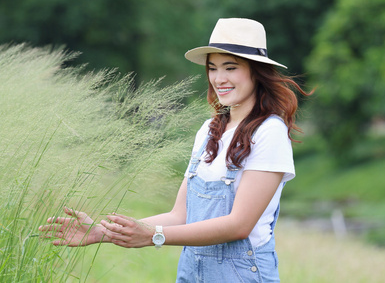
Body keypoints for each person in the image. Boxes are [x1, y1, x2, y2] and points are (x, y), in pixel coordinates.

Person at [39, 18, 313, 282]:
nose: (219, 78)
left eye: (230, 68)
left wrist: (153, 236)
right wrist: (101, 232)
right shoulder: (209, 130)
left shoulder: (269, 132)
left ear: (256, 71)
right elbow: (179, 215)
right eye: (213, 68)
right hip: (192, 274)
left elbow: (239, 225)